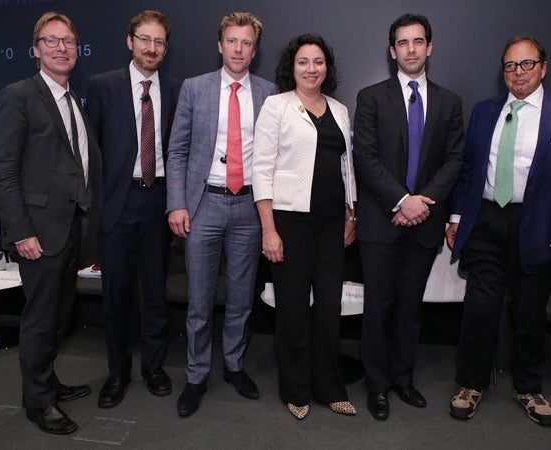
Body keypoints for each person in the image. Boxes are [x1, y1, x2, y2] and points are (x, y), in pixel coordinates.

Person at [446, 35, 551, 426]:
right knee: (479, 308)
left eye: (527, 64)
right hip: (485, 220)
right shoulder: (484, 111)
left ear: (543, 68)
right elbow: (468, 170)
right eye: (511, 65)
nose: (519, 72)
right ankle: (470, 383)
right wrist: (456, 218)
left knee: (529, 311)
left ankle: (528, 387)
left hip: (539, 225)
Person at [0, 12, 103, 435]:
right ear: (35, 49)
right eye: (51, 41)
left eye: (68, 41)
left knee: (60, 314)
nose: (61, 48)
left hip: (70, 230)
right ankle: (38, 403)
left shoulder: (72, 101)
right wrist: (20, 231)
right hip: (37, 232)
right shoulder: (17, 96)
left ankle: (47, 382)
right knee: (40, 319)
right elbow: (2, 172)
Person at [352, 13, 464, 421]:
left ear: (429, 48)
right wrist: (401, 201)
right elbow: (365, 158)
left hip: (424, 224)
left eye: (418, 41)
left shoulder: (450, 102)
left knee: (410, 308)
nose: (411, 49)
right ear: (392, 50)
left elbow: (454, 160)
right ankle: (377, 386)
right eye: (403, 42)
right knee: (378, 307)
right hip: (380, 223)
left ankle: (402, 379)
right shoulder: (370, 97)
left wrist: (421, 204)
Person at [165, 11, 276, 418]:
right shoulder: (194, 88)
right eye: (232, 41)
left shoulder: (269, 93)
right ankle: (196, 376)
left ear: (255, 50)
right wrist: (176, 203)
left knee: (241, 298)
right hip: (203, 205)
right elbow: (177, 150)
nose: (238, 49)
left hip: (249, 206)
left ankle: (233, 365)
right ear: (219, 45)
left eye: (246, 43)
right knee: (199, 300)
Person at [253, 33, 358, 420]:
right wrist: (269, 230)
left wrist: (351, 214)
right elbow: (261, 169)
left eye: (318, 61)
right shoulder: (276, 106)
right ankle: (296, 389)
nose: (311, 69)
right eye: (303, 62)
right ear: (291, 67)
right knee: (294, 308)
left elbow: (347, 167)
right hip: (290, 223)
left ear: (326, 67)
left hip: (332, 224)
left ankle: (330, 388)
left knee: (329, 307)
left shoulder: (340, 109)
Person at [86, 10, 181, 409]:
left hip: (158, 201)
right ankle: (118, 373)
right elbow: (91, 153)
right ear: (130, 41)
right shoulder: (102, 85)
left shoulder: (176, 89)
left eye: (159, 41)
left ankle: (154, 367)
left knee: (155, 292)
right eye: (145, 39)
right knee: (116, 295)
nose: (151, 47)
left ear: (165, 48)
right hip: (117, 203)